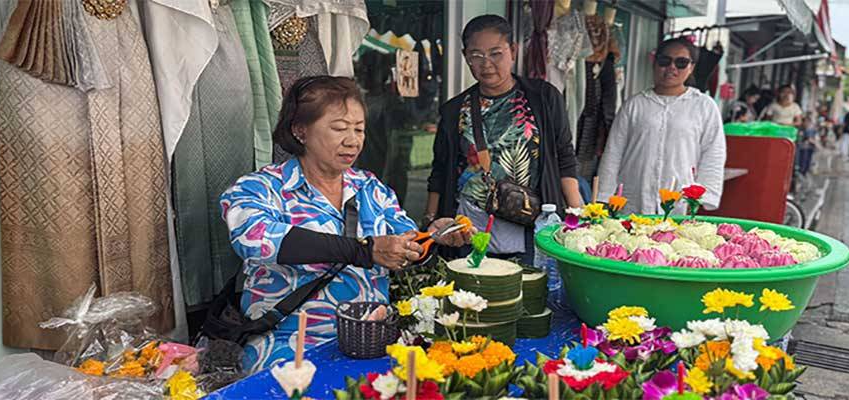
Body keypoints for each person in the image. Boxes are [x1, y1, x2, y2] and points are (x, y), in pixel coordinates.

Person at [220, 76, 473, 372]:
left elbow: (405, 245)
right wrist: (363, 251)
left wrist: (432, 237)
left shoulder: (370, 187)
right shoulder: (260, 188)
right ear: (300, 130)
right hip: (290, 345)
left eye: (359, 129)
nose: (352, 140)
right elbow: (254, 239)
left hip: (372, 342)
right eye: (339, 128)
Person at [425, 15, 583, 263]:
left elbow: (564, 156)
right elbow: (440, 170)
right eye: (476, 55)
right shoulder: (454, 110)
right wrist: (430, 222)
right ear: (466, 57)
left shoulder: (544, 98)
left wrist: (578, 216)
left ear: (513, 51)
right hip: (470, 225)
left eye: (495, 53)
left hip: (528, 221)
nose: (486, 64)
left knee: (530, 290)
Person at [595, 37, 726, 214]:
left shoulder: (704, 106)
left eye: (681, 63)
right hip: (633, 196)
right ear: (655, 62)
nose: (672, 68)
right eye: (665, 61)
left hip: (679, 197)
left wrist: (703, 196)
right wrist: (604, 195)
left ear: (691, 67)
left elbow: (713, 153)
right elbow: (614, 152)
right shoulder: (635, 104)